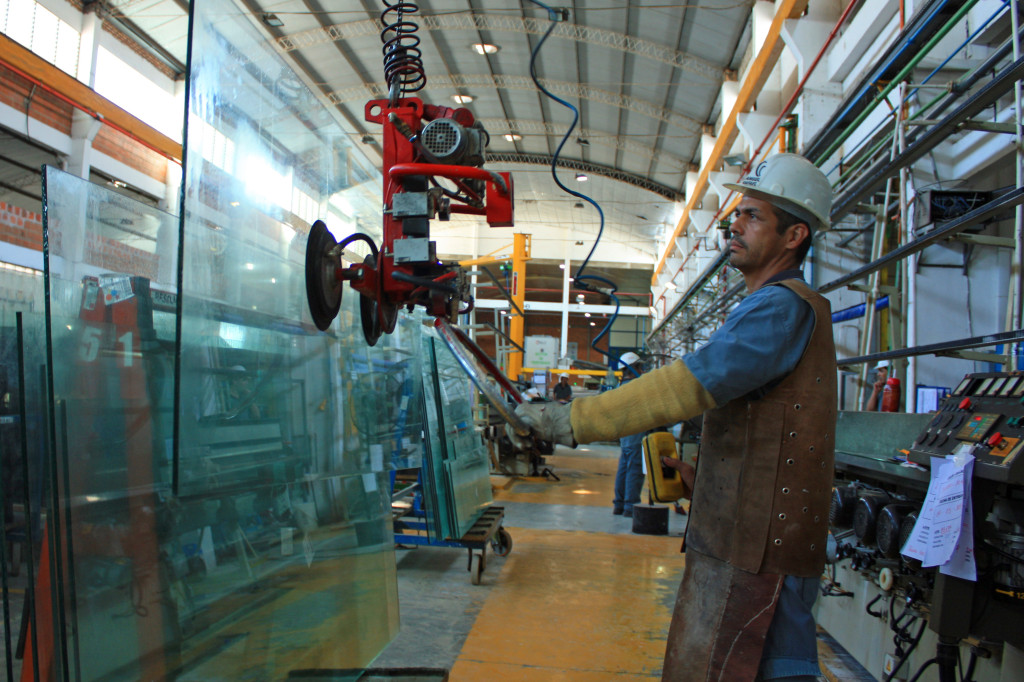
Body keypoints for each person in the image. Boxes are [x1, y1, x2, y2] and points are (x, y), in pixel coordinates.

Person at [509, 153, 837, 682]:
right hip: (746, 538)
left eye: (753, 215)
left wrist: (573, 420)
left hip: (760, 552)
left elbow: (689, 384)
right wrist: (704, 480)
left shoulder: (781, 307)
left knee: (763, 668)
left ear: (794, 235)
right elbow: (760, 424)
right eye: (737, 213)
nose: (736, 223)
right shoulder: (764, 306)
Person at [613, 352, 646, 517]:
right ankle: (630, 506)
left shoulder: (620, 388)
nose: (642, 370)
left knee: (624, 469)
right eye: (640, 367)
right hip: (636, 435)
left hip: (625, 436)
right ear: (633, 368)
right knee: (635, 469)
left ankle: (619, 504)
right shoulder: (636, 387)